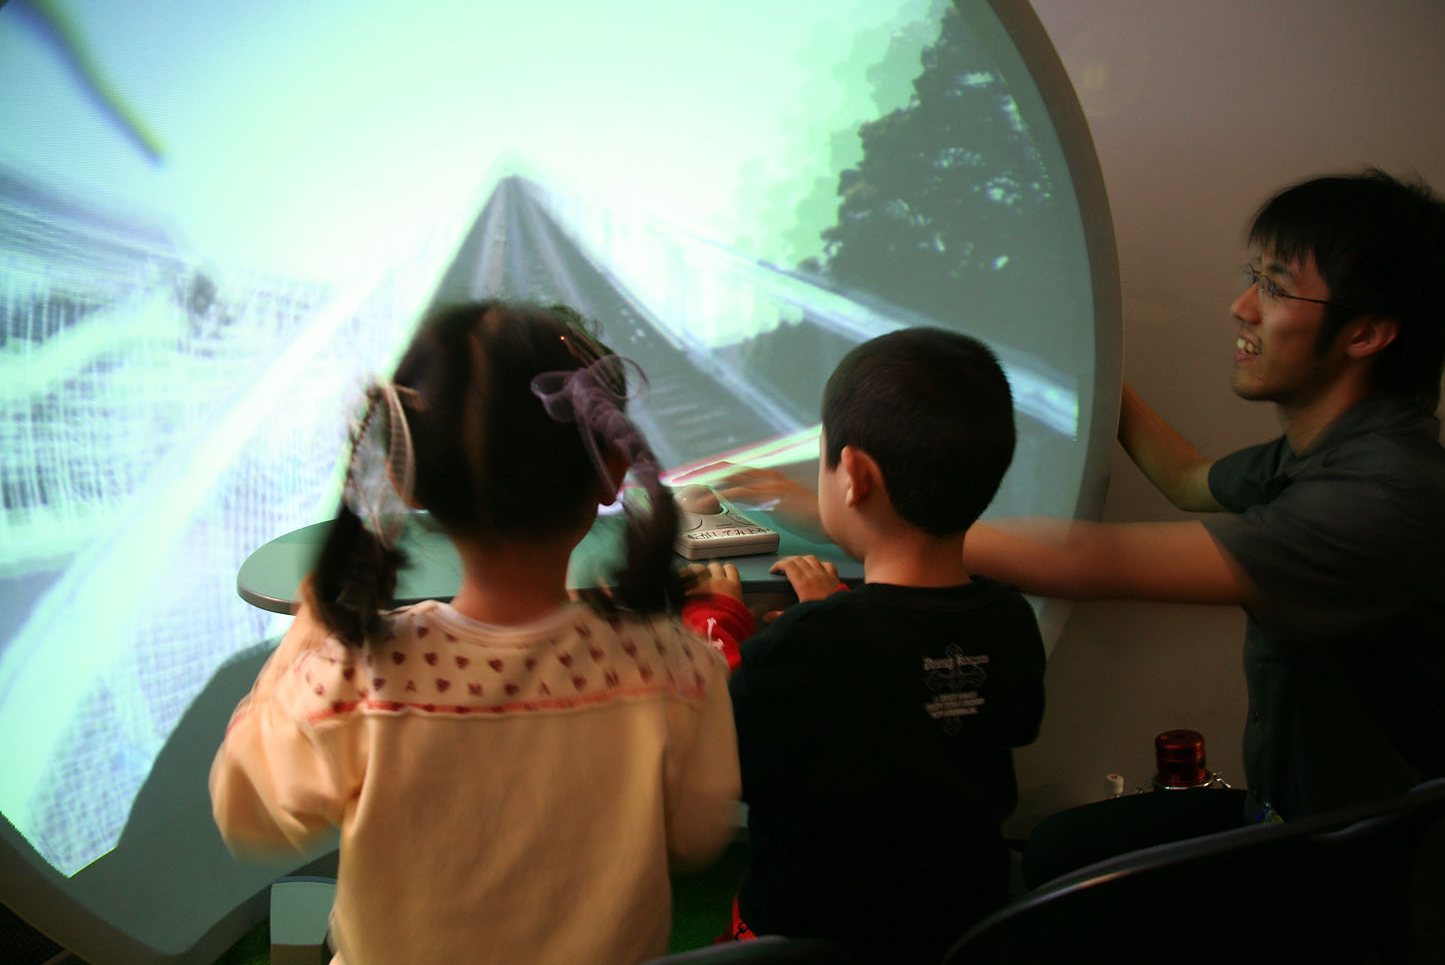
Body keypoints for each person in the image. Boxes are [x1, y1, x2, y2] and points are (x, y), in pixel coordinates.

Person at [958, 169, 1445, 961]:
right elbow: (1186, 479)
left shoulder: (1386, 496)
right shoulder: (1324, 451)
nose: (1242, 307)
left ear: (1366, 333)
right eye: (1253, 278)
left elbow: (1088, 560)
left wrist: (875, 522)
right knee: (1058, 850)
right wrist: (1092, 364)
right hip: (1303, 821)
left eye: (1275, 288)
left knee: (1047, 923)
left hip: (1397, 881)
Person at [209, 301, 743, 965]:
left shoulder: (356, 675)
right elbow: (695, 835)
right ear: (610, 467)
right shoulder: (674, 667)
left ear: (406, 477)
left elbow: (247, 810)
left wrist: (306, 638)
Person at [715, 327, 1047, 964]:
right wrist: (832, 617)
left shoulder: (804, 645)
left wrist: (720, 619)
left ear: (855, 476)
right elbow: (1001, 721)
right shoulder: (1010, 619)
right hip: (961, 926)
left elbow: (728, 769)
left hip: (811, 939)